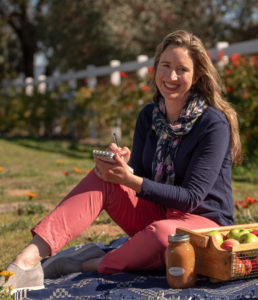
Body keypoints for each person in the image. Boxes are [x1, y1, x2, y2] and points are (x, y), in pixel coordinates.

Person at [1, 29, 242, 293]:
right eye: (166, 66)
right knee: (101, 179)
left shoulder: (212, 124)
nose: (171, 76)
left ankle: (87, 263)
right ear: (156, 69)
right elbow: (140, 176)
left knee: (167, 236)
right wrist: (123, 167)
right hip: (159, 213)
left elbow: (191, 197)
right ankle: (27, 262)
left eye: (182, 70)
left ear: (196, 77)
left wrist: (132, 179)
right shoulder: (149, 116)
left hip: (203, 224)